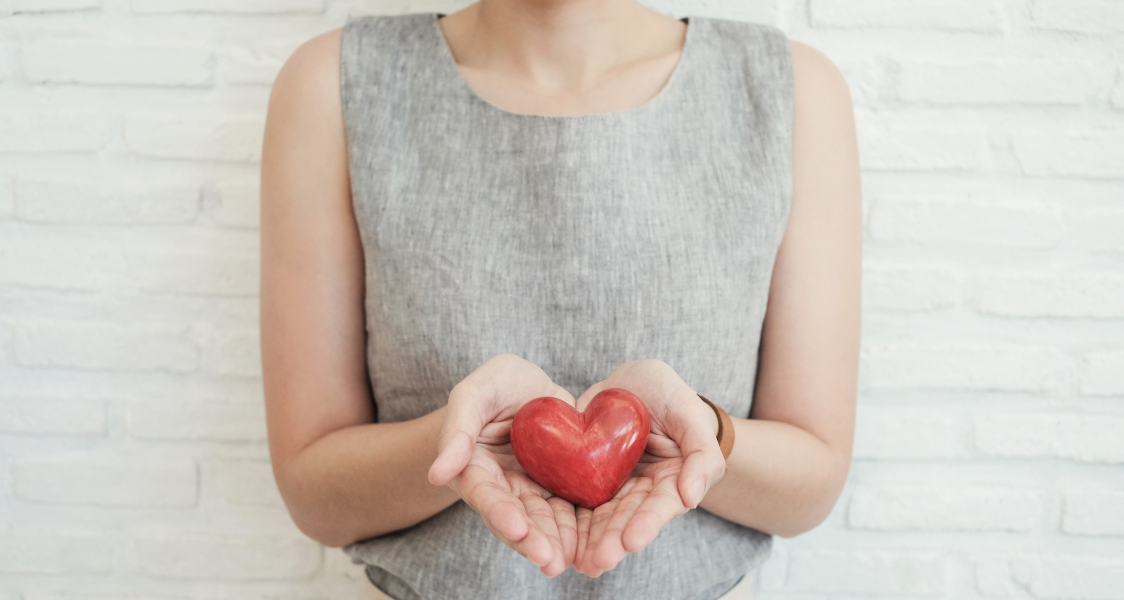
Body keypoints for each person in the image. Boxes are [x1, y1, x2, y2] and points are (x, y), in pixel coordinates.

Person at [260, 0, 860, 598]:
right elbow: (316, 498)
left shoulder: (791, 90)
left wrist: (701, 434)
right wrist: (459, 440)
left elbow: (812, 486)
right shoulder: (335, 83)